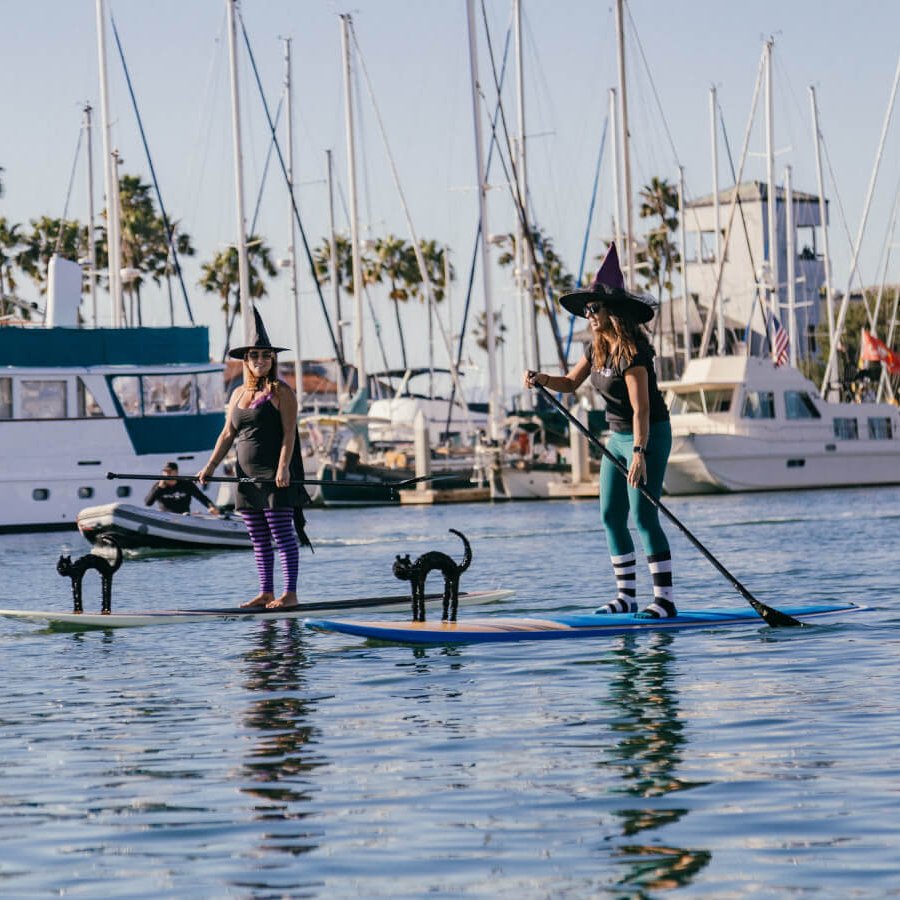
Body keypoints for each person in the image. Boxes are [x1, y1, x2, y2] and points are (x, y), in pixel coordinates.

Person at [524, 243, 675, 618]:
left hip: (648, 434)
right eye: (587, 309)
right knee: (610, 515)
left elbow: (641, 410)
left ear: (613, 312)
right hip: (616, 440)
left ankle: (665, 602)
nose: (589, 314)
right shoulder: (596, 350)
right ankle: (626, 597)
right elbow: (571, 383)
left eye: (594, 308)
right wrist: (542, 378)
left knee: (644, 517)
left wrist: (640, 454)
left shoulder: (632, 353)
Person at [198, 308, 311, 610]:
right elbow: (226, 435)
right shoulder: (237, 394)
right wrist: (209, 466)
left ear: (273, 359)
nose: (260, 360)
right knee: (258, 538)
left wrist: (284, 466)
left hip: (274, 475)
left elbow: (289, 434)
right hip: (244, 474)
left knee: (282, 534)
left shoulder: (282, 392)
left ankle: (290, 594)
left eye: (265, 355)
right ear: (245, 360)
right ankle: (265, 592)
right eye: (254, 355)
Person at [145, 461, 219, 515]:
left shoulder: (186, 484)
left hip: (184, 516)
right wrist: (159, 489)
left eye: (169, 471)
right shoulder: (158, 486)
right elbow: (148, 503)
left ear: (176, 472)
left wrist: (211, 506)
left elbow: (201, 497)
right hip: (165, 517)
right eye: (165, 472)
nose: (167, 474)